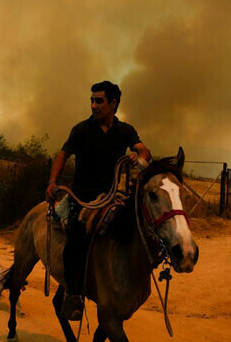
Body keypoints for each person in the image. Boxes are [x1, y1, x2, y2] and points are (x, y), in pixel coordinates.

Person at [45, 80, 152, 321]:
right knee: (76, 236)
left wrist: (139, 158)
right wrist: (52, 181)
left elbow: (144, 151)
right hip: (81, 197)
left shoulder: (125, 131)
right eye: (92, 100)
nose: (93, 105)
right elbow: (63, 155)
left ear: (113, 104)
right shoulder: (81, 130)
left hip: (111, 196)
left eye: (99, 101)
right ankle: (73, 293)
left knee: (133, 229)